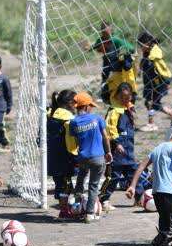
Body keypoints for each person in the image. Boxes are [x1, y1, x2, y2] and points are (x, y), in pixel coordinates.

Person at [99, 83, 148, 211]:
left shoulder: (128, 108)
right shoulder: (114, 111)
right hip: (117, 151)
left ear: (131, 96)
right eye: (122, 97)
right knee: (113, 176)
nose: (125, 99)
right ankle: (103, 199)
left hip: (128, 150)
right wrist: (117, 143)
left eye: (127, 97)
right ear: (117, 96)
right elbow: (109, 128)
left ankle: (139, 198)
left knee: (133, 174)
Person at [68, 92, 112, 223]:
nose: (92, 108)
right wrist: (108, 152)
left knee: (81, 177)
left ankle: (77, 203)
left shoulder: (73, 122)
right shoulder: (97, 118)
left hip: (83, 157)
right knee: (93, 186)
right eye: (91, 106)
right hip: (98, 157)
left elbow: (76, 140)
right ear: (86, 106)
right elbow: (105, 137)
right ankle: (89, 213)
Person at [46, 89, 79, 219]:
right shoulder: (68, 120)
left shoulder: (51, 115)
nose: (77, 106)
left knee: (60, 184)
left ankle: (64, 208)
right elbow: (70, 143)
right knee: (66, 185)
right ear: (70, 103)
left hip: (52, 158)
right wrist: (76, 156)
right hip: (65, 158)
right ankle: (64, 211)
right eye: (76, 102)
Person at [138, 32, 172, 131]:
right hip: (150, 84)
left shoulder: (154, 53)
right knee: (149, 103)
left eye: (141, 45)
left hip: (159, 83)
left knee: (152, 103)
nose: (140, 48)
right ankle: (152, 123)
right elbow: (144, 64)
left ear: (147, 43)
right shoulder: (147, 53)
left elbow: (156, 57)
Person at [87, 22, 135, 90]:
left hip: (116, 62)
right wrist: (88, 48)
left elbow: (130, 48)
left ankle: (120, 87)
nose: (105, 33)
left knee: (118, 77)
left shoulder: (115, 40)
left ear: (110, 30)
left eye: (107, 31)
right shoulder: (100, 40)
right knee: (105, 75)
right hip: (106, 61)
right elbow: (93, 47)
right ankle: (104, 87)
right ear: (101, 31)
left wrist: (125, 52)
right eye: (103, 31)